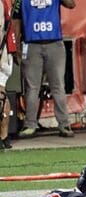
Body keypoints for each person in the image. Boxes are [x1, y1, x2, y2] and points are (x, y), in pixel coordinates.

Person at [10, 0, 76, 138]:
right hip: (31, 44)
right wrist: (15, 47)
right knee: (32, 88)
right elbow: (16, 20)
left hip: (54, 43)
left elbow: (71, 4)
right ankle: (30, 125)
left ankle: (64, 124)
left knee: (58, 86)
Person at [0, 0, 13, 150]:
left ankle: (3, 136)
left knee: (1, 93)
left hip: (2, 54)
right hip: (5, 52)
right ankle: (4, 137)